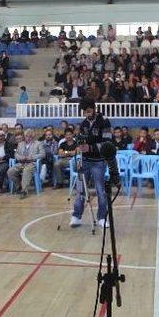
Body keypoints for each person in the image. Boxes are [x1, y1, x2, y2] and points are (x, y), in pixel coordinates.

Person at [70, 98, 111, 228]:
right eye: (84, 112)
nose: (87, 114)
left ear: (94, 108)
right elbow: (81, 141)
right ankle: (76, 216)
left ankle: (102, 218)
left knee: (100, 191)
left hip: (99, 162)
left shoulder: (104, 122)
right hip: (84, 161)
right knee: (80, 190)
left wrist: (91, 148)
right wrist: (80, 149)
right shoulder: (83, 124)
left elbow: (107, 143)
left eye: (88, 111)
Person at [7, 128, 45, 199]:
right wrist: (20, 157)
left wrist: (32, 157)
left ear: (33, 136)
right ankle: (19, 187)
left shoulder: (38, 143)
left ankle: (24, 191)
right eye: (27, 136)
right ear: (25, 136)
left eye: (30, 136)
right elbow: (16, 154)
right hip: (22, 162)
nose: (28, 138)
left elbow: (43, 154)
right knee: (10, 171)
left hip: (32, 163)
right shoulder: (20, 144)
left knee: (26, 170)